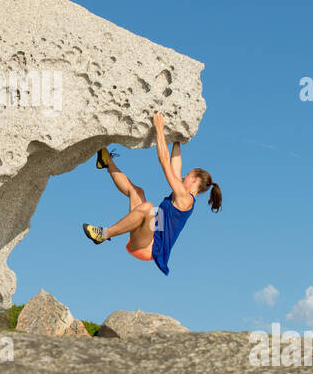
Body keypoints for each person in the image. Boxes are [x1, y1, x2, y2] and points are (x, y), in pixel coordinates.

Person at [82, 112, 221, 275]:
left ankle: (104, 234)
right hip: (150, 233)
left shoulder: (186, 199)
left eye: (188, 175)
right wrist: (177, 139)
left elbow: (164, 162)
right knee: (137, 192)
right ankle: (106, 161)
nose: (184, 176)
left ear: (195, 181)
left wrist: (159, 129)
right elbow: (176, 167)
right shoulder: (182, 195)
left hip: (149, 247)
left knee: (148, 208)